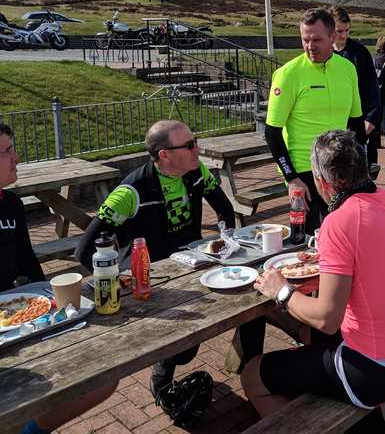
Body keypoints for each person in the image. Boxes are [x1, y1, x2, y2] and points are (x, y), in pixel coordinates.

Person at [241, 130, 385, 422]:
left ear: (321, 181)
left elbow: (326, 319)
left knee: (252, 375)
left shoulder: (339, 221)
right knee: (308, 335)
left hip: (376, 371)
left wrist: (279, 289)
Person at [75, 120, 237, 400]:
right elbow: (85, 250)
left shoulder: (196, 171)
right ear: (165, 154)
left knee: (234, 307)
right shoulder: (131, 192)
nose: (198, 149)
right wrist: (118, 285)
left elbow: (224, 209)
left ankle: (244, 364)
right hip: (156, 280)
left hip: (196, 265)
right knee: (182, 347)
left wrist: (226, 243)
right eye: (189, 145)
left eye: (195, 140)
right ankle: (162, 374)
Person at [0, 123, 116, 434]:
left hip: (21, 324)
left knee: (104, 376)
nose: (17, 158)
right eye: (8, 151)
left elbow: (29, 267)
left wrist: (53, 309)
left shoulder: (10, 204)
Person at [265, 8, 364, 233]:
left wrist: (360, 169)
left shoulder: (347, 68)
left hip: (341, 168)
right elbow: (272, 132)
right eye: (305, 40)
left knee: (348, 234)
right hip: (304, 172)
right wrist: (291, 178)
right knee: (311, 240)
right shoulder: (288, 74)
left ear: (332, 36)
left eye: (317, 39)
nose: (310, 46)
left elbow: (356, 124)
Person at [330, 7, 381, 165]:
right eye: (339, 31)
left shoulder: (359, 53)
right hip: (333, 126)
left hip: (359, 124)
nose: (344, 35)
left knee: (363, 172)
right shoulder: (323, 53)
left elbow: (372, 88)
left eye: (347, 30)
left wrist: (370, 119)